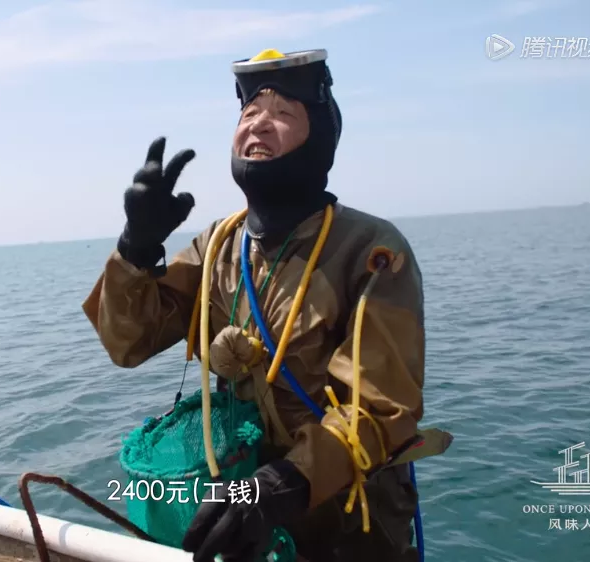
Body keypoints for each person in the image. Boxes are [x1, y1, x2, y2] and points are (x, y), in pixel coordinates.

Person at [83, 48, 429, 562]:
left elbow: (379, 409)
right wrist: (135, 247)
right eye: (249, 113)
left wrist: (280, 485)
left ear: (321, 136)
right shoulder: (218, 246)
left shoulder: (371, 251)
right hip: (239, 511)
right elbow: (127, 342)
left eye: (283, 113)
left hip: (343, 528)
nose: (259, 125)